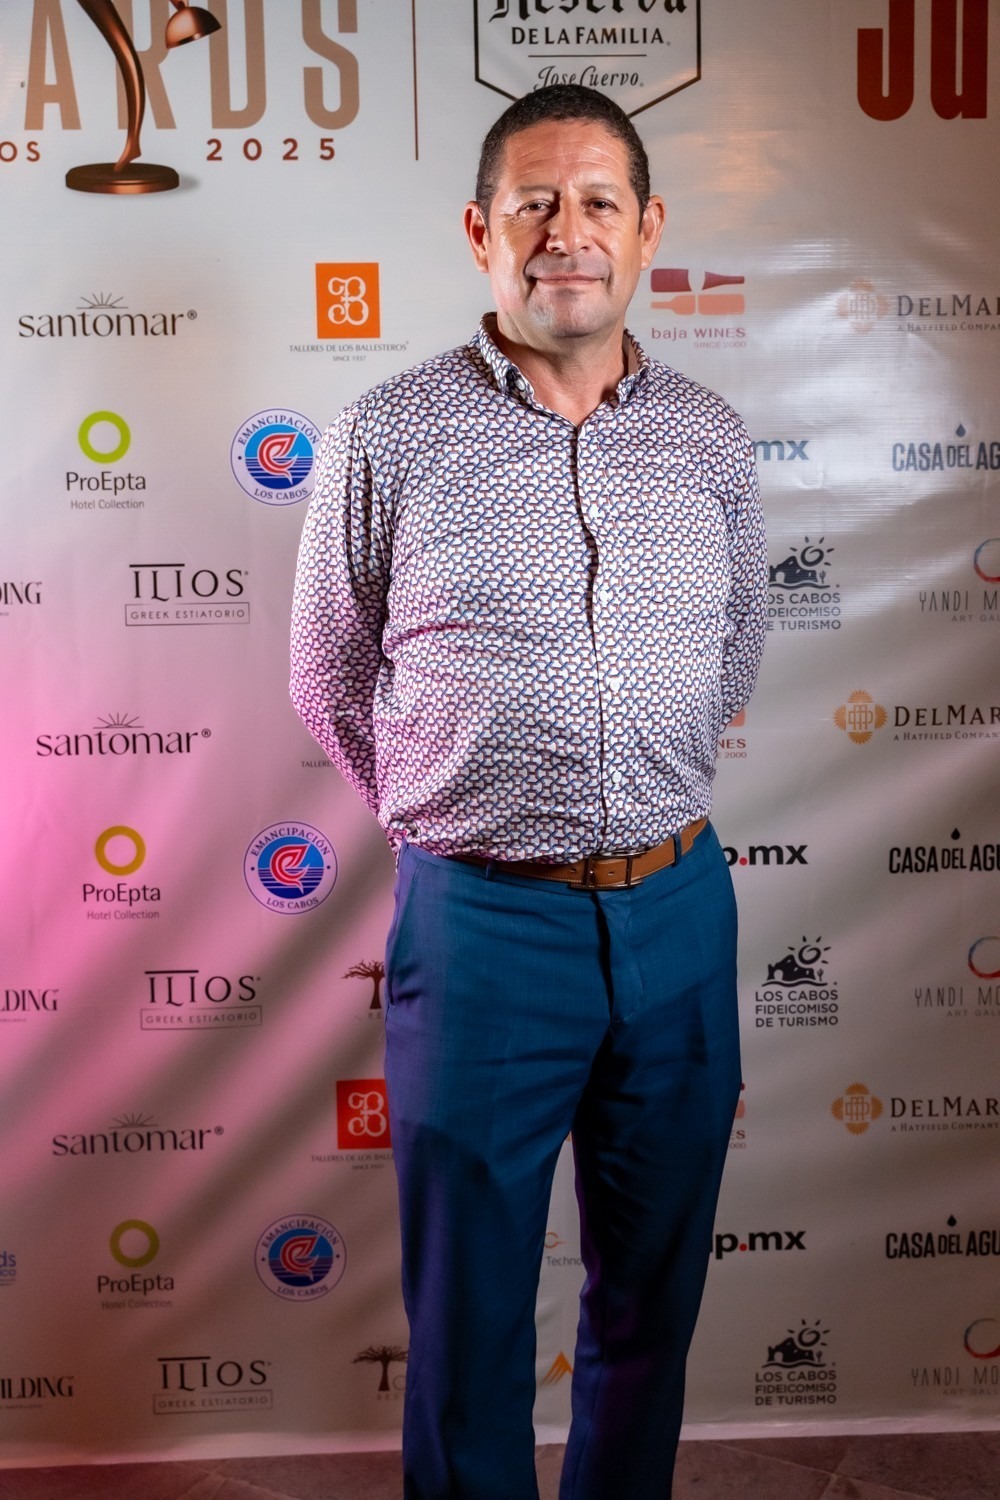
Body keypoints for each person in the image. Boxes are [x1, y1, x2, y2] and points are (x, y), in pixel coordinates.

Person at [291, 83, 766, 1500]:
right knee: (470, 1324)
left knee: (652, 1305)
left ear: (649, 227)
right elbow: (328, 674)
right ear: (480, 231)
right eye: (535, 204)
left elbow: (737, 647)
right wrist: (457, 821)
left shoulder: (709, 436)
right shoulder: (389, 432)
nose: (569, 232)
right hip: (486, 929)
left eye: (599, 201)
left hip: (680, 913)